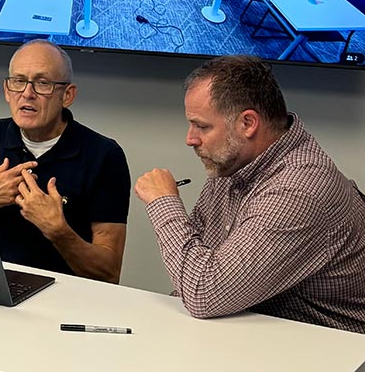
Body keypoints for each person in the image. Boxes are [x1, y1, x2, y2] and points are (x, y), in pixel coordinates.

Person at [135, 55, 365, 334]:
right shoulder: (233, 162)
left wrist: (164, 203)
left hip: (329, 347)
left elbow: (203, 292)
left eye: (202, 126)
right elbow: (197, 259)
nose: (190, 139)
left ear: (247, 123)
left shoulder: (300, 189)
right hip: (255, 327)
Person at [0, 40, 131, 280]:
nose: (27, 94)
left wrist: (58, 231)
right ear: (6, 90)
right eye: (19, 81)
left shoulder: (104, 154)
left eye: (42, 83)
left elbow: (109, 271)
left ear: (67, 95)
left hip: (65, 298)